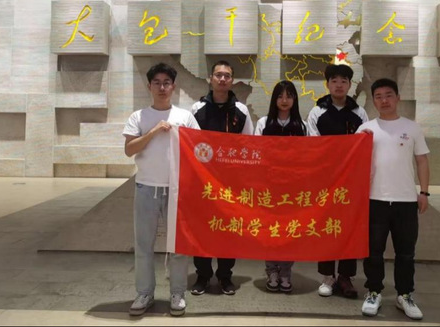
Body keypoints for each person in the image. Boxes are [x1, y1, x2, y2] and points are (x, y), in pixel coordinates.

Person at [122, 63, 201, 317]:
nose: (162, 87)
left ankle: (177, 293)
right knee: (143, 245)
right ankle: (144, 293)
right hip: (146, 187)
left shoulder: (185, 117)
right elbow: (129, 149)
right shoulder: (139, 117)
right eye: (157, 82)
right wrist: (154, 131)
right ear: (149, 86)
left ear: (173, 86)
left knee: (178, 246)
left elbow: (199, 149)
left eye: (166, 82)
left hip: (177, 190)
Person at [356, 78, 430, 320]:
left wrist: (424, 192)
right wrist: (360, 142)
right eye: (378, 96)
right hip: (374, 199)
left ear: (397, 98)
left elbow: (422, 161)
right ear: (373, 100)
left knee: (406, 253)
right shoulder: (366, 129)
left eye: (389, 95)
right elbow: (353, 163)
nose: (384, 100)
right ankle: (373, 292)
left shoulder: (412, 127)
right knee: (373, 252)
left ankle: (404, 295)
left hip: (406, 201)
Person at [190, 60, 254, 296]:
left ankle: (225, 276)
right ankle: (203, 275)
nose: (222, 79)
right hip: (203, 181)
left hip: (231, 183)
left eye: (227, 75)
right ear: (210, 78)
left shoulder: (241, 110)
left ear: (232, 80)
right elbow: (191, 143)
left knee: (228, 230)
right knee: (202, 230)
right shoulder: (197, 109)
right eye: (218, 75)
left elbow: (248, 145)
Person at [307, 64, 369, 298]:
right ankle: (327, 276)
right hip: (325, 180)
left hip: (351, 180)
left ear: (350, 85)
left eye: (344, 81)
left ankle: (345, 276)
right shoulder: (317, 112)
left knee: (349, 227)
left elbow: (363, 145)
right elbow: (314, 146)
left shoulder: (360, 113)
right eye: (334, 81)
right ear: (328, 84)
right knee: (326, 226)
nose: (339, 85)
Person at [254, 80, 307, 293]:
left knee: (289, 232)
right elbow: (257, 153)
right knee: (270, 231)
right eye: (280, 96)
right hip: (269, 188)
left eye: (289, 96)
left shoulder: (302, 126)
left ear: (294, 99)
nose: (284, 100)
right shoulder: (264, 123)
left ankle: (285, 271)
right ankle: (272, 271)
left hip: (293, 189)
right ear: (274, 99)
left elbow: (311, 155)